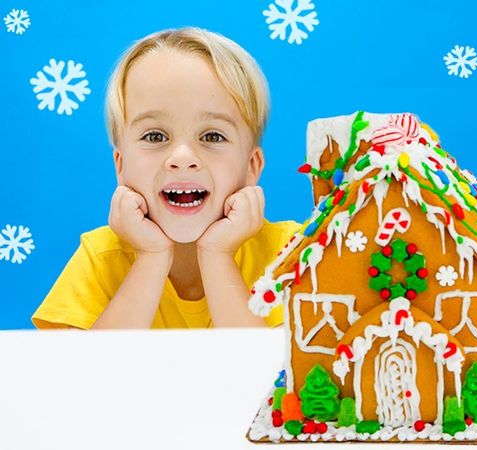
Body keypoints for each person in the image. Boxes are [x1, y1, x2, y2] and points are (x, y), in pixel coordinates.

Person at [32, 27, 298, 329]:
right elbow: (87, 373)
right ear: (121, 165)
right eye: (155, 136)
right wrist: (151, 257)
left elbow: (269, 374)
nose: (182, 159)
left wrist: (218, 256)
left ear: (252, 166)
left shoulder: (289, 254)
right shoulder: (100, 258)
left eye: (212, 135)